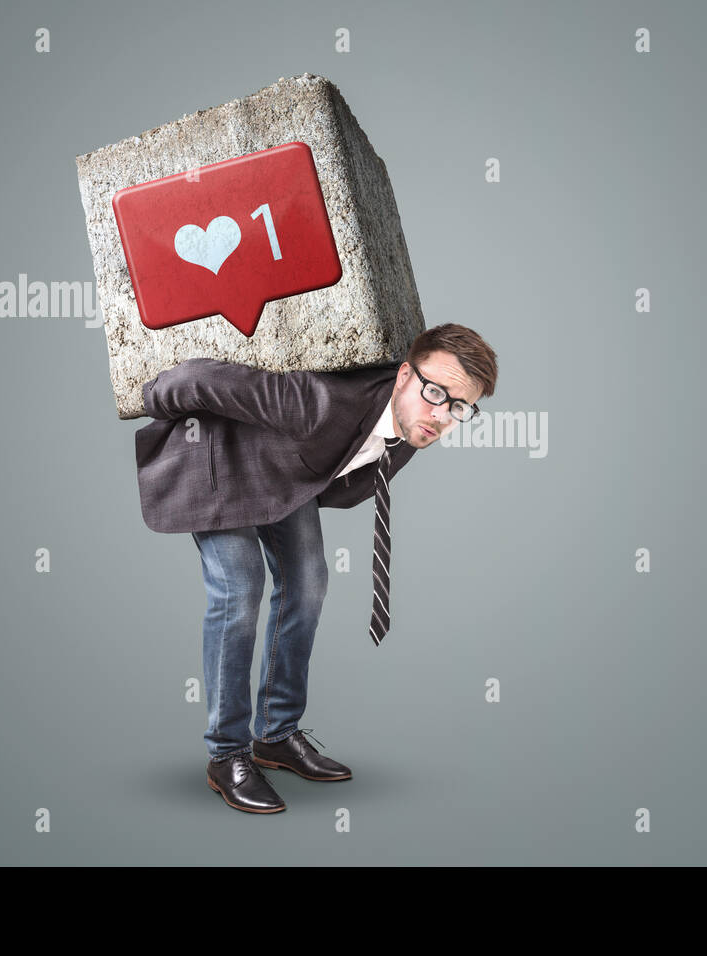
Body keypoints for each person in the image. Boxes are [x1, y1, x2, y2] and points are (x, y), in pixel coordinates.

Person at [135, 323, 498, 813]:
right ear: (404, 375)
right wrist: (152, 396)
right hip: (217, 457)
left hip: (285, 469)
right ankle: (227, 754)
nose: (441, 414)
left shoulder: (415, 430)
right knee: (240, 589)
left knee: (307, 584)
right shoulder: (319, 402)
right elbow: (201, 376)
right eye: (435, 392)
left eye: (459, 407)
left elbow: (347, 477)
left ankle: (276, 734)